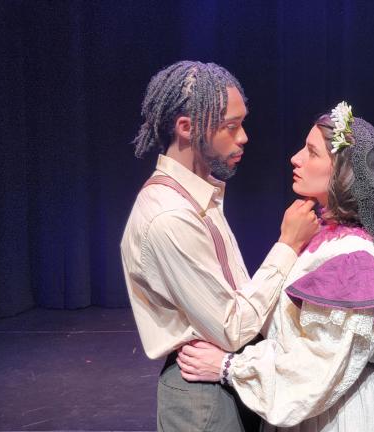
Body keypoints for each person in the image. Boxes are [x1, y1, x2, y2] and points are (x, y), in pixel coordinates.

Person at [177, 102, 374, 431]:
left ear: (343, 173)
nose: (296, 158)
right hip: (312, 409)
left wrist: (228, 367)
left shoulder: (352, 258)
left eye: (312, 152)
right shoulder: (319, 238)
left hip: (337, 414)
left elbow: (318, 365)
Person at [119, 60, 320, 432]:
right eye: (231, 126)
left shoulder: (198, 196)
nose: (243, 137)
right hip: (202, 394)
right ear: (186, 128)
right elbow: (229, 327)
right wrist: (288, 244)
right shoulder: (170, 217)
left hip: (227, 377)